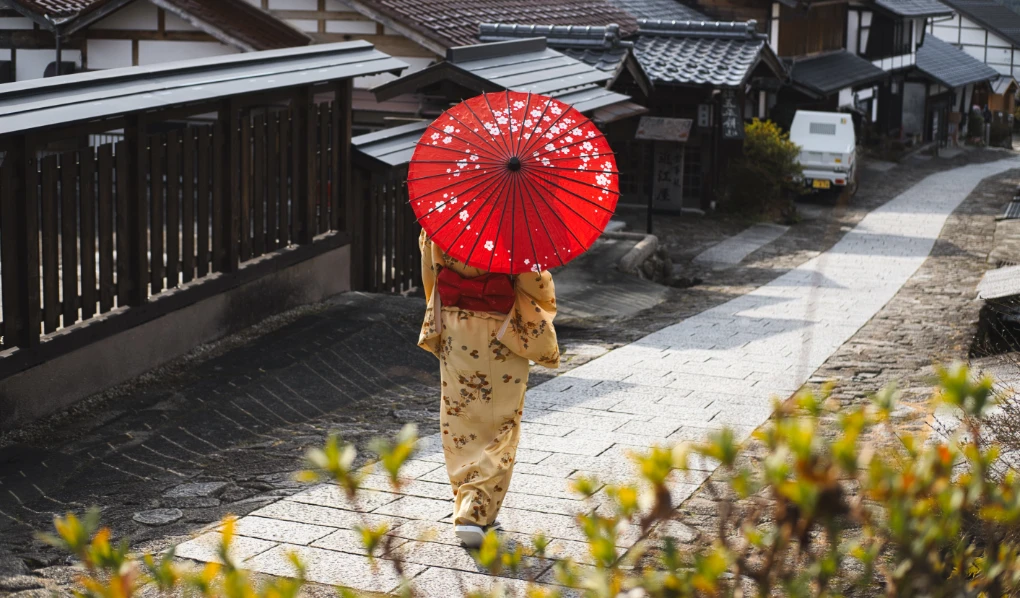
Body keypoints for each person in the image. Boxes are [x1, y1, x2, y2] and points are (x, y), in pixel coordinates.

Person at [417, 230, 560, 548]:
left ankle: (466, 500)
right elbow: (535, 282)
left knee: (460, 420)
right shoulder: (511, 221)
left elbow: (431, 274)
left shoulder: (441, 219)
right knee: (501, 425)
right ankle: (475, 512)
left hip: (456, 328)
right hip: (501, 330)